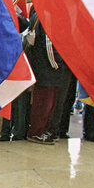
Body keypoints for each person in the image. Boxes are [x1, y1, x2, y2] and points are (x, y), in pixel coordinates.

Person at [24, 11, 71, 145]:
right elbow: (48, 43)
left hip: (46, 67)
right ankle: (36, 132)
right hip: (47, 68)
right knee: (44, 103)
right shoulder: (46, 15)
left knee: (48, 102)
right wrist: (57, 64)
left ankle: (42, 131)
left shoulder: (42, 14)